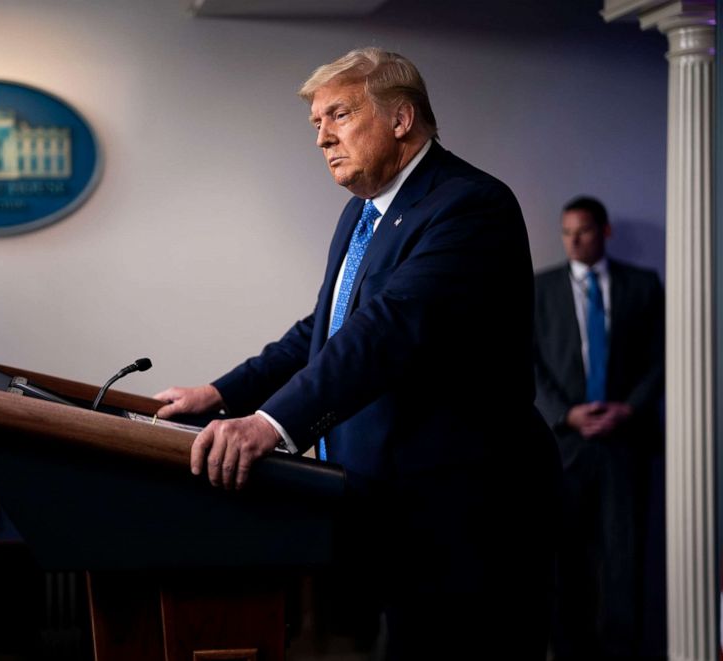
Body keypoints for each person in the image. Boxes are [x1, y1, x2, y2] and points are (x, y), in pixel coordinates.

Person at [155, 47, 559, 660]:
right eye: (316, 123)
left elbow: (388, 329)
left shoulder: (469, 204)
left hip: (467, 513)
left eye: (338, 115)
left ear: (401, 119)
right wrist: (222, 394)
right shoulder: (362, 212)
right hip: (394, 508)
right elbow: (328, 325)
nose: (322, 138)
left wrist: (272, 424)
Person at [533, 197, 664, 659]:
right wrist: (565, 414)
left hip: (625, 442)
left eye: (583, 231)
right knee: (565, 561)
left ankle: (623, 652)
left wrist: (629, 409)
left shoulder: (643, 286)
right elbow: (528, 365)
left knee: (624, 561)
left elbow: (662, 356)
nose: (573, 240)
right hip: (565, 446)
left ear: (604, 232)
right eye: (566, 232)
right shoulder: (540, 288)